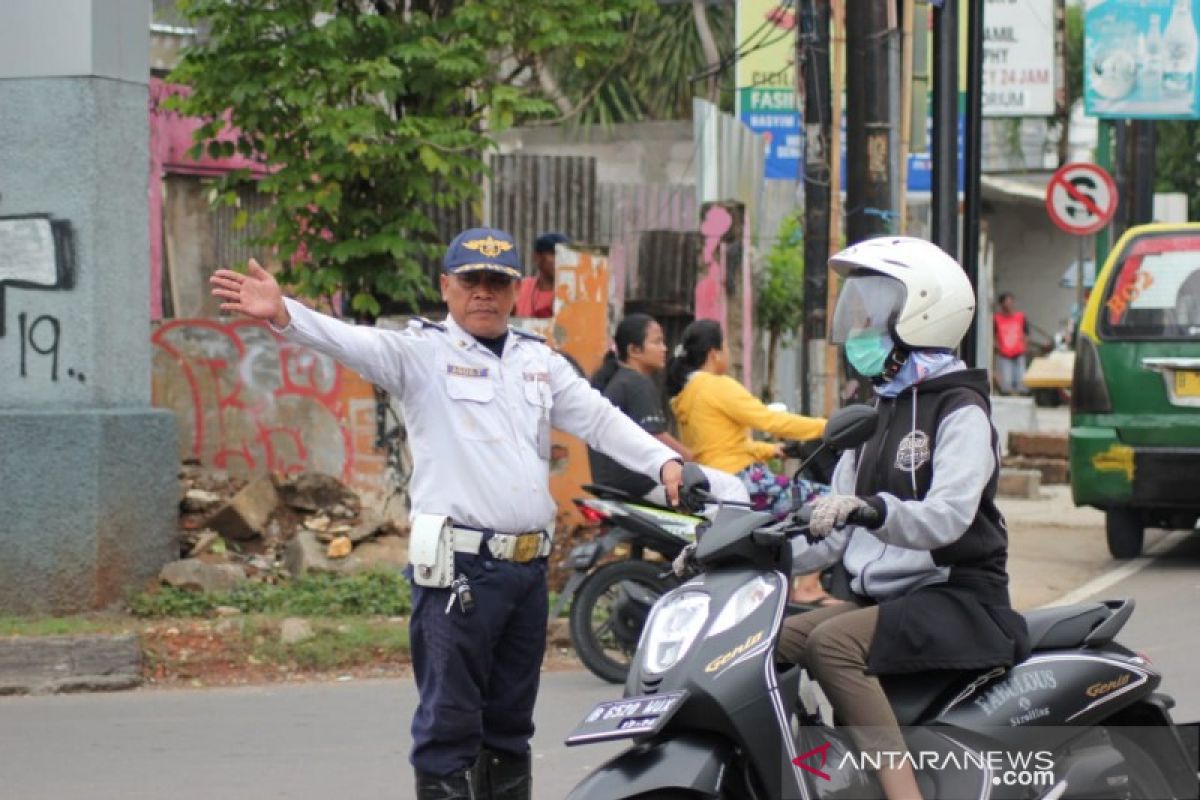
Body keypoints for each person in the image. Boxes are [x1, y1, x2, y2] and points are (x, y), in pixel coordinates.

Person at [210, 227, 684, 800]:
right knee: (450, 727)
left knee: (510, 728)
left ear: (516, 290)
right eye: (470, 281)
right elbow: (349, 341)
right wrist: (284, 312)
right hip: (461, 572)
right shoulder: (421, 355)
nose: (483, 292)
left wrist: (663, 463)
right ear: (446, 287)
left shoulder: (538, 362)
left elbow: (600, 420)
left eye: (497, 281)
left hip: (527, 573)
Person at [774, 237, 1030, 800]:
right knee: (769, 642)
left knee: (833, 645)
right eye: (857, 313)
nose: (858, 328)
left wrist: (873, 510)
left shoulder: (960, 410)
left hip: (957, 596)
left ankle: (900, 791)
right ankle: (815, 774)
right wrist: (749, 555)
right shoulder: (876, 413)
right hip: (889, 601)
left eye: (872, 314)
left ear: (922, 313)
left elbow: (947, 519)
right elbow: (832, 529)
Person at [666, 319, 833, 605]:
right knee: (830, 502)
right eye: (727, 347)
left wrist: (770, 450)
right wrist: (826, 426)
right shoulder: (716, 386)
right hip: (742, 480)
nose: (729, 353)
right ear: (714, 353)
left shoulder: (687, 395)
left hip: (714, 482)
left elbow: (720, 444)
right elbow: (769, 420)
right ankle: (807, 585)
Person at [587, 313, 750, 506]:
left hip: (614, 483)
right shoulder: (636, 382)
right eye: (657, 342)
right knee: (734, 487)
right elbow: (655, 436)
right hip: (641, 481)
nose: (664, 349)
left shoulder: (620, 381)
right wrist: (691, 458)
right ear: (634, 350)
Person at [515, 231, 569, 318]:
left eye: (565, 255)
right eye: (554, 254)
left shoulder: (572, 291)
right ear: (537, 257)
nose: (561, 260)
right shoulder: (522, 287)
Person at [993, 291, 1029, 395]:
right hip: (1004, 354)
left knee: (1021, 380)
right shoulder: (997, 319)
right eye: (1006, 302)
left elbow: (1026, 333)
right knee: (1006, 382)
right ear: (1001, 304)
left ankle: (1021, 396)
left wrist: (1025, 346)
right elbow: (993, 335)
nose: (1009, 305)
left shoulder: (1020, 317)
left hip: (1019, 352)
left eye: (1011, 302)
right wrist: (996, 347)